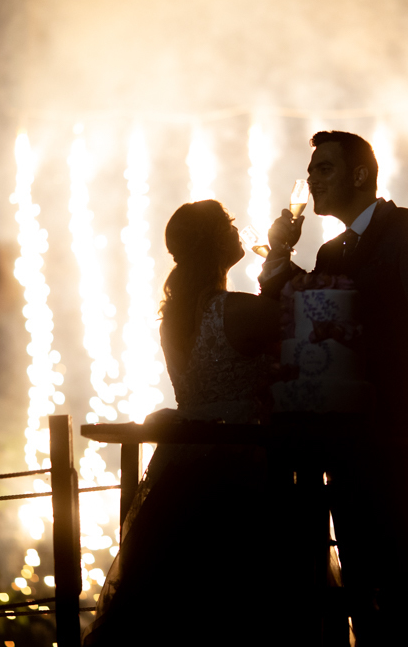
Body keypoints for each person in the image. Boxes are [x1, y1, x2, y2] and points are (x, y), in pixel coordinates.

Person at [259, 131, 408, 646]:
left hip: (403, 433)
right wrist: (281, 261)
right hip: (343, 435)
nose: (311, 178)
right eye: (311, 170)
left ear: (360, 174)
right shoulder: (329, 252)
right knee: (359, 568)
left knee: (407, 572)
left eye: (323, 168)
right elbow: (315, 318)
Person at [84, 199, 281, 646]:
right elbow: (301, 320)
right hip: (239, 469)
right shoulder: (237, 311)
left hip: (182, 467)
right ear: (215, 242)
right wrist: (279, 259)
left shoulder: (172, 316)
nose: (236, 228)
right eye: (227, 223)